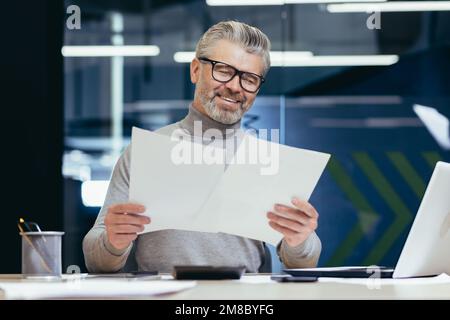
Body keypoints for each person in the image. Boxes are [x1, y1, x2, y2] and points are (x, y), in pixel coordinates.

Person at [83, 20, 321, 273]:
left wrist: (300, 240)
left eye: (249, 78)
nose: (234, 86)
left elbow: (303, 261)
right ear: (196, 70)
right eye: (223, 70)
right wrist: (114, 241)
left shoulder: (266, 159)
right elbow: (96, 260)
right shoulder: (145, 153)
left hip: (245, 303)